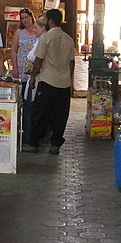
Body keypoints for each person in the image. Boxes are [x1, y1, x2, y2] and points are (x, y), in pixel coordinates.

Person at [22, 9, 75, 155]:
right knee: (60, 115)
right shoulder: (69, 39)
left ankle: (33, 143)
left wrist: (33, 77)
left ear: (50, 22)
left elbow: (38, 60)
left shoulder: (46, 38)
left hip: (47, 81)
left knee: (40, 113)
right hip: (63, 84)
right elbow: (72, 63)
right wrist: (69, 79)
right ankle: (55, 145)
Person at [22, 14, 48, 145]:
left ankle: (30, 139)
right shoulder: (42, 40)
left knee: (31, 110)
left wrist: (32, 51)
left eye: (36, 27)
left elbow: (35, 58)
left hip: (36, 79)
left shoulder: (42, 41)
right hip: (40, 80)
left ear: (43, 28)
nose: (34, 30)